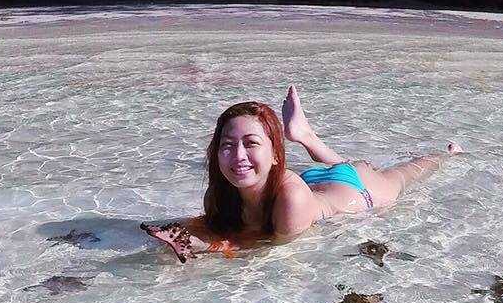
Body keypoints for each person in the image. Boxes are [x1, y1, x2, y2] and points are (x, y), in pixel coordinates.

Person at [144, 87, 461, 261]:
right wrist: (183, 231)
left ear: (274, 153)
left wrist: (210, 246)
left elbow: (274, 251)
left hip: (358, 192)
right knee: (337, 164)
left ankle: (446, 154)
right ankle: (304, 135)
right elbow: (222, 225)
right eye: (227, 145)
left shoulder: (291, 198)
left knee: (407, 173)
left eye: (250, 143)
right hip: (315, 183)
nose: (237, 156)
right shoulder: (222, 188)